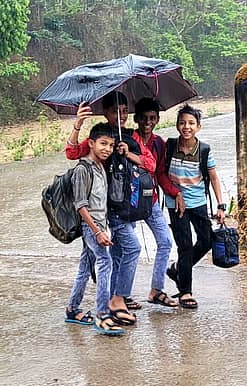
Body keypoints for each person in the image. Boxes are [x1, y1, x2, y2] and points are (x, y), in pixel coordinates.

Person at [66, 92, 155, 325]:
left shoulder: (131, 137)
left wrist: (129, 152)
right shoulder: (99, 137)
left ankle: (80, 306)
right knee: (123, 252)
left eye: (125, 110)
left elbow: (150, 164)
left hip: (126, 206)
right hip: (104, 209)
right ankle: (111, 305)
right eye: (115, 111)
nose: (121, 115)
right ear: (105, 113)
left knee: (102, 258)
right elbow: (72, 153)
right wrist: (78, 125)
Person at [161, 104, 226, 309]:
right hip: (175, 204)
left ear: (198, 126)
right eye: (182, 123)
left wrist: (221, 205)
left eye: (191, 123)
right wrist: (174, 193)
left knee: (207, 240)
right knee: (185, 245)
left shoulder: (204, 150)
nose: (186, 127)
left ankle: (178, 268)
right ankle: (185, 291)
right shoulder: (169, 147)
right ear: (177, 125)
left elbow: (214, 178)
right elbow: (160, 172)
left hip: (198, 203)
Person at [65, 123, 125, 336]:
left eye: (111, 145)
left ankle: (72, 309)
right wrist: (98, 231)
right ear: (91, 143)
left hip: (99, 224)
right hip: (91, 226)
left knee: (84, 267)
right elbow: (80, 205)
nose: (107, 149)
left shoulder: (101, 166)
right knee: (105, 262)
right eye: (103, 144)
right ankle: (102, 314)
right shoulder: (83, 169)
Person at [132, 97, 178, 308]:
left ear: (158, 119)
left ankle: (156, 290)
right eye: (143, 118)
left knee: (165, 242)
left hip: (151, 200)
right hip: (129, 202)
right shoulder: (127, 139)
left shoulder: (159, 144)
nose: (147, 122)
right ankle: (120, 295)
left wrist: (175, 192)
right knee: (127, 247)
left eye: (152, 118)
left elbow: (160, 173)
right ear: (136, 119)